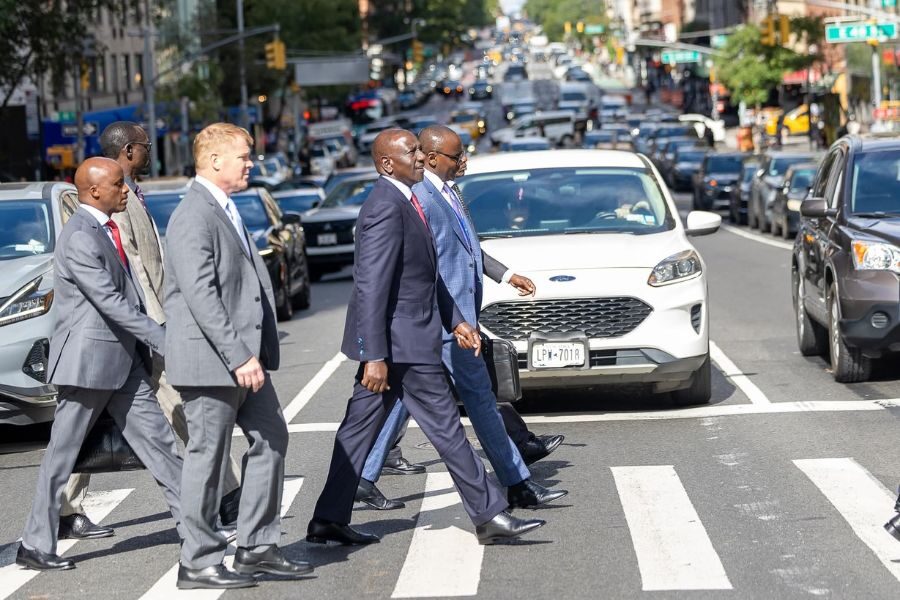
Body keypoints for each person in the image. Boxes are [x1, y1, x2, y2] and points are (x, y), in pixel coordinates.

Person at [306, 128, 545, 546]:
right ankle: (490, 514)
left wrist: (456, 321)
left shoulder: (408, 200)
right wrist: (375, 355)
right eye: (412, 152)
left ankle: (327, 517)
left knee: (356, 431)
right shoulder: (384, 206)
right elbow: (371, 285)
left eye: (419, 150)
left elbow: (425, 276)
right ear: (387, 164)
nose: (421, 157)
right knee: (449, 431)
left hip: (405, 341)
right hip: (403, 346)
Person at [354, 126, 567, 512]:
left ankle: (363, 477)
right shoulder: (419, 197)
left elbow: (469, 247)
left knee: (402, 399)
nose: (464, 161)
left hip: (453, 319)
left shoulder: (450, 194)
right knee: (481, 400)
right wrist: (451, 319)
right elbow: (424, 267)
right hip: (444, 322)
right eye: (456, 156)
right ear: (434, 158)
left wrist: (505, 274)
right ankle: (517, 483)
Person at [56, 122, 244, 543]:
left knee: (99, 423)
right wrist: (160, 323)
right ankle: (228, 496)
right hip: (147, 325)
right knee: (186, 406)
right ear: (127, 151)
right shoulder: (114, 202)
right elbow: (131, 267)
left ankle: (63, 507)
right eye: (144, 147)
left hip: (149, 323)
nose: (150, 152)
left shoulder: (130, 193)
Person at [17, 158, 185, 571]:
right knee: (62, 455)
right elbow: (109, 301)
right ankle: (35, 543)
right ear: (94, 191)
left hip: (124, 359)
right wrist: (162, 338)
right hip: (88, 363)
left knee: (162, 448)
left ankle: (197, 527)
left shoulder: (103, 228)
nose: (125, 190)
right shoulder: (79, 236)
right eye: (117, 184)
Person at [164, 123, 310, 590]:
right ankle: (199, 560)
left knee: (271, 439)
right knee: (207, 461)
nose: (251, 163)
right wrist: (238, 355)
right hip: (214, 361)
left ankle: (256, 547)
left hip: (242, 359)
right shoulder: (193, 214)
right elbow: (201, 294)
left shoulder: (222, 207)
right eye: (244, 157)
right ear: (213, 161)